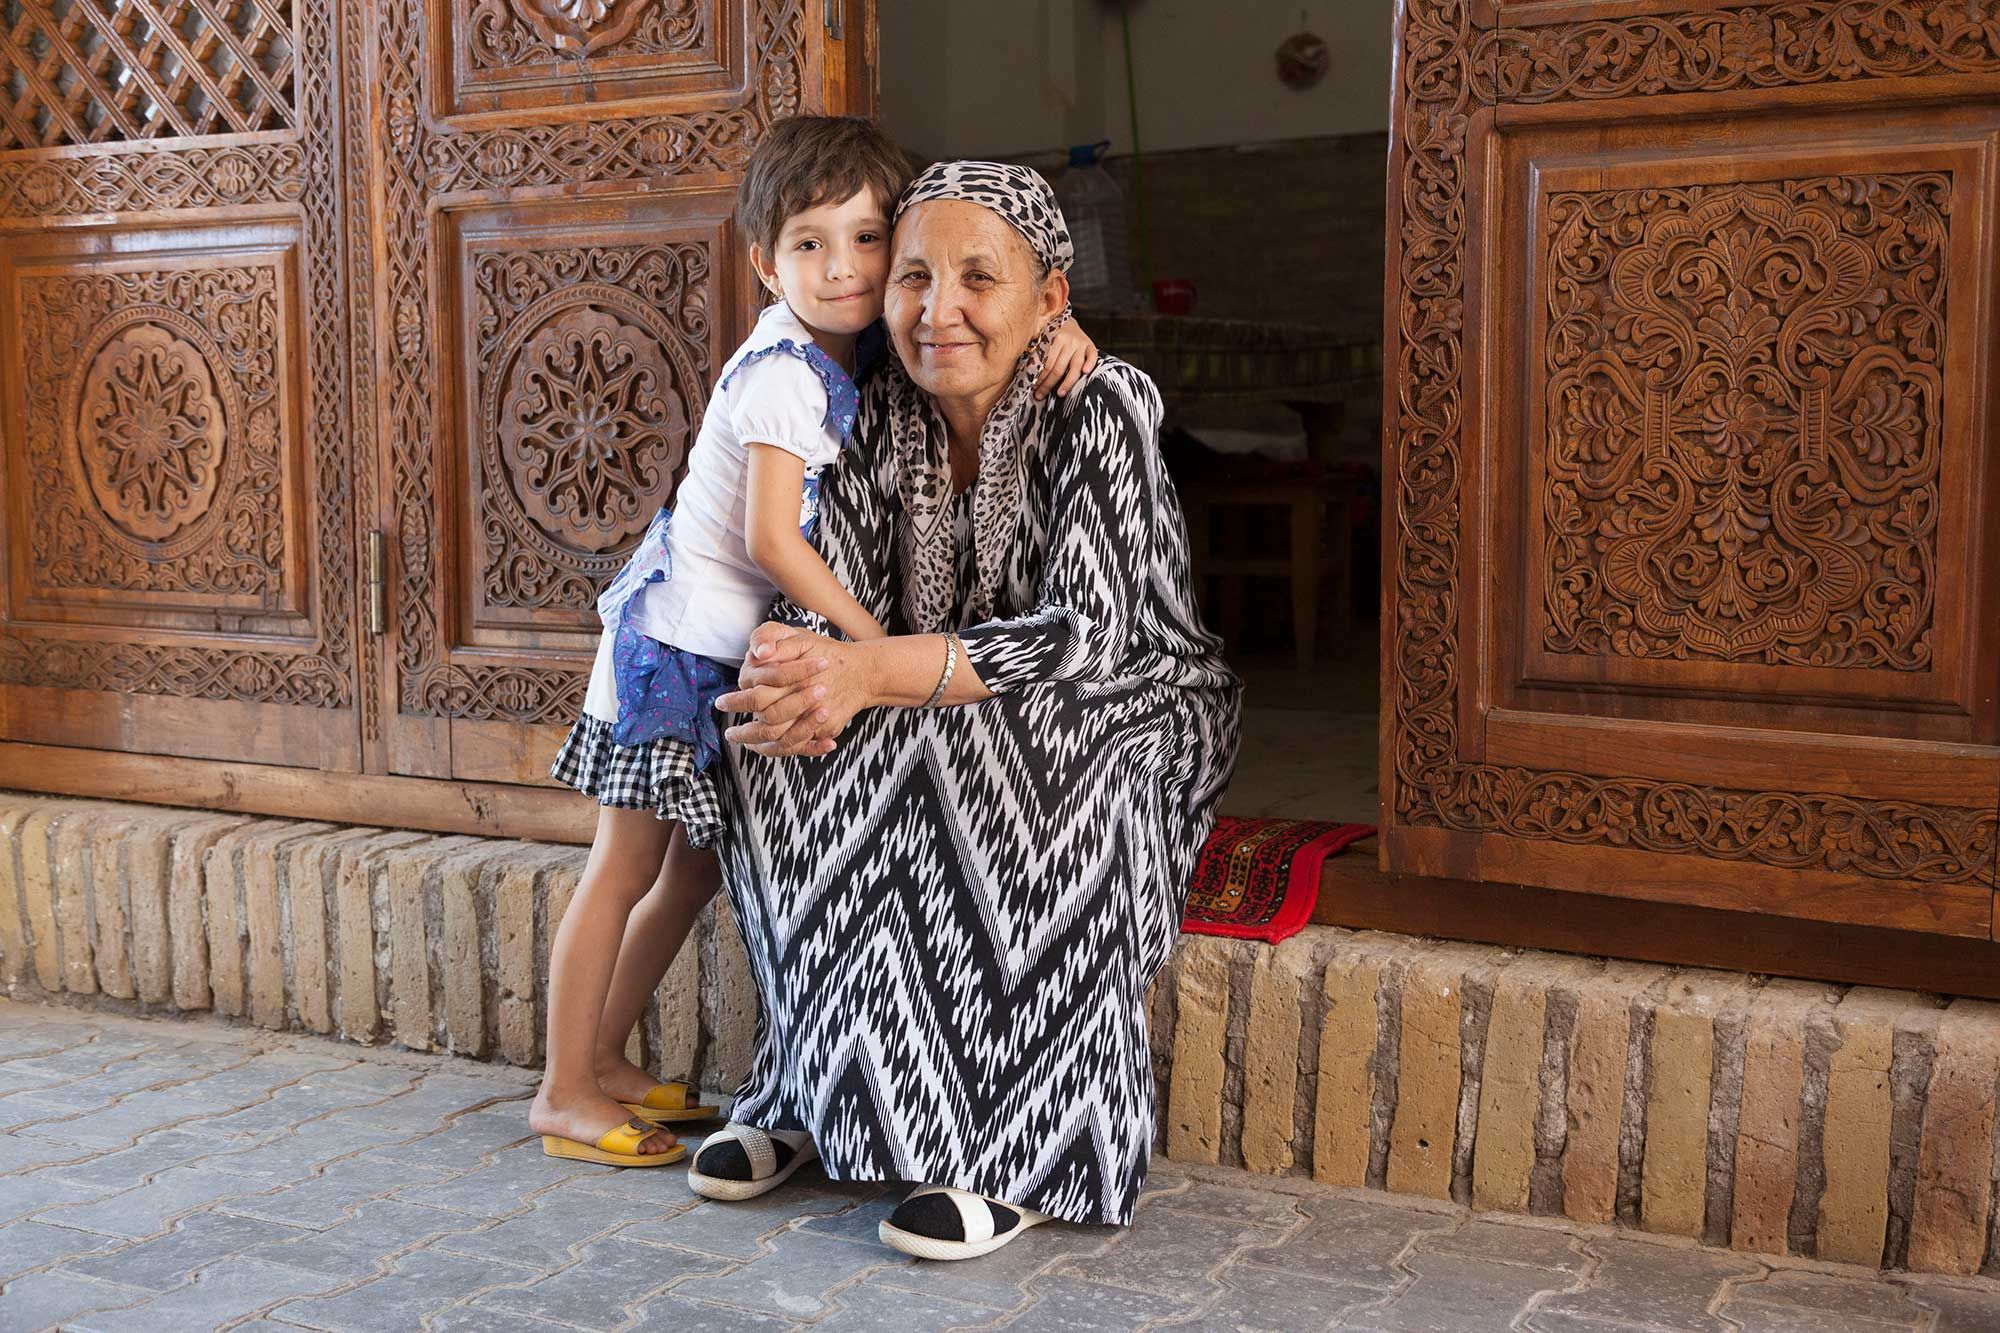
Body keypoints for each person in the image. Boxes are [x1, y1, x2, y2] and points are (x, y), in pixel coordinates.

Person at [690, 161, 1242, 1260]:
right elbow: (828, 585)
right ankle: (814, 1089)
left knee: (1021, 749)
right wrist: (805, 677)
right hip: (918, 690)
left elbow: (1079, 635)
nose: (937, 311)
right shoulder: (864, 407)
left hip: (1125, 705)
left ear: (1048, 297)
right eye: (912, 278)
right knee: (763, 739)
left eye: (976, 279)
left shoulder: (1101, 405)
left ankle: (1021, 1147)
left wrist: (866, 675)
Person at [531, 122, 1099, 1168]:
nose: (842, 268)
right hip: (668, 651)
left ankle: (605, 1058)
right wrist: (875, 643)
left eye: (866, 238)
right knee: (619, 867)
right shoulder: (787, 375)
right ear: (763, 261)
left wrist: (1065, 340)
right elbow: (768, 539)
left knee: (693, 874)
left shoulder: (850, 344)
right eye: (807, 245)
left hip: (706, 652)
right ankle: (564, 1088)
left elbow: (988, 322)